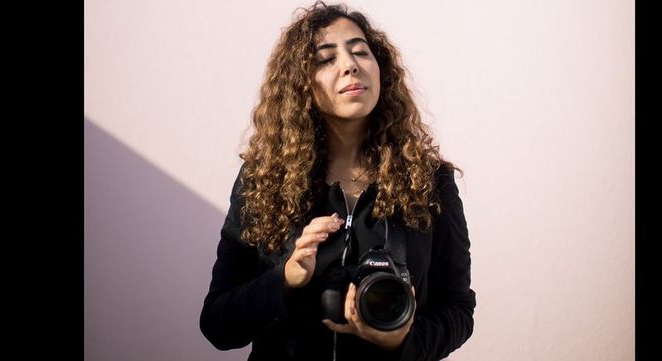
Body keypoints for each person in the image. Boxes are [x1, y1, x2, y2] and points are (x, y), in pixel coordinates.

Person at [200, 2, 476, 360]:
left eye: (361, 51)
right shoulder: (263, 180)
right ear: (300, 85)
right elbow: (218, 324)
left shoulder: (430, 181)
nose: (350, 65)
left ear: (381, 70)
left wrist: (403, 342)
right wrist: (285, 279)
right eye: (326, 59)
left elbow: (457, 309)